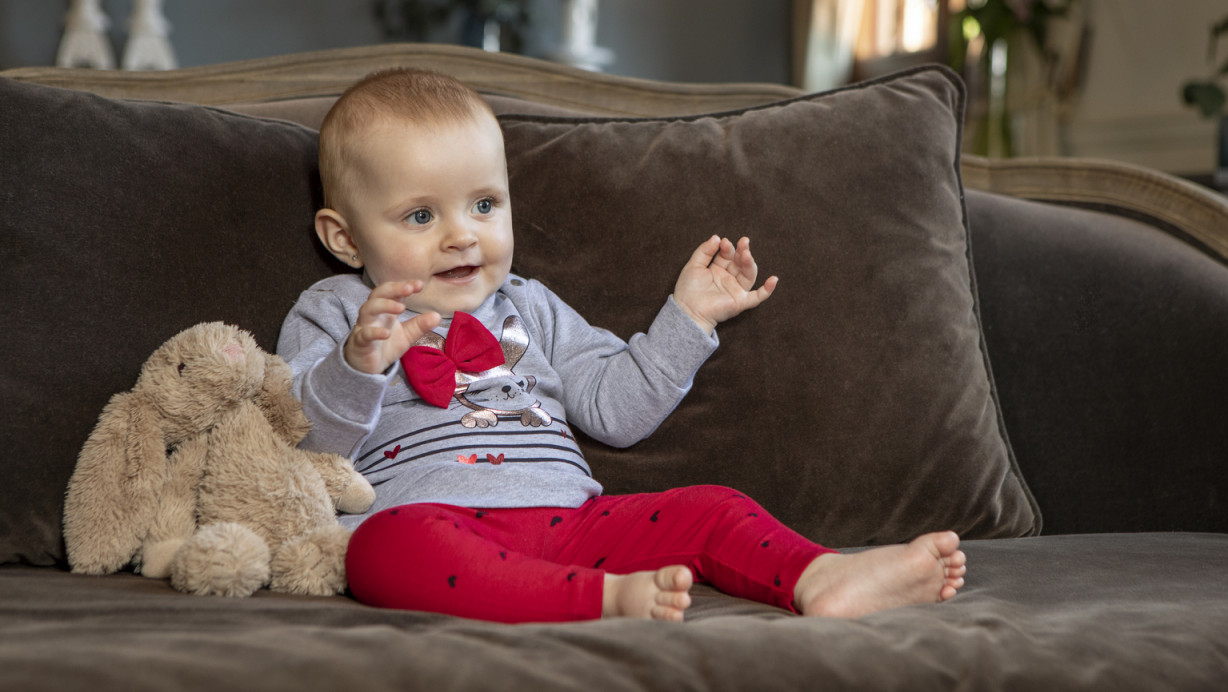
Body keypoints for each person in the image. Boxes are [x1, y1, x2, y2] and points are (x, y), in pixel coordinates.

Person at [278, 68, 966, 624]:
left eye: (484, 205)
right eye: (422, 215)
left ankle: (823, 576)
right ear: (345, 237)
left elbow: (616, 411)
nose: (463, 236)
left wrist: (689, 317)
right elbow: (302, 446)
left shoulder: (530, 304)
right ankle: (599, 601)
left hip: (575, 523)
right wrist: (357, 366)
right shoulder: (333, 311)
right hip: (436, 522)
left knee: (714, 506)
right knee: (380, 550)